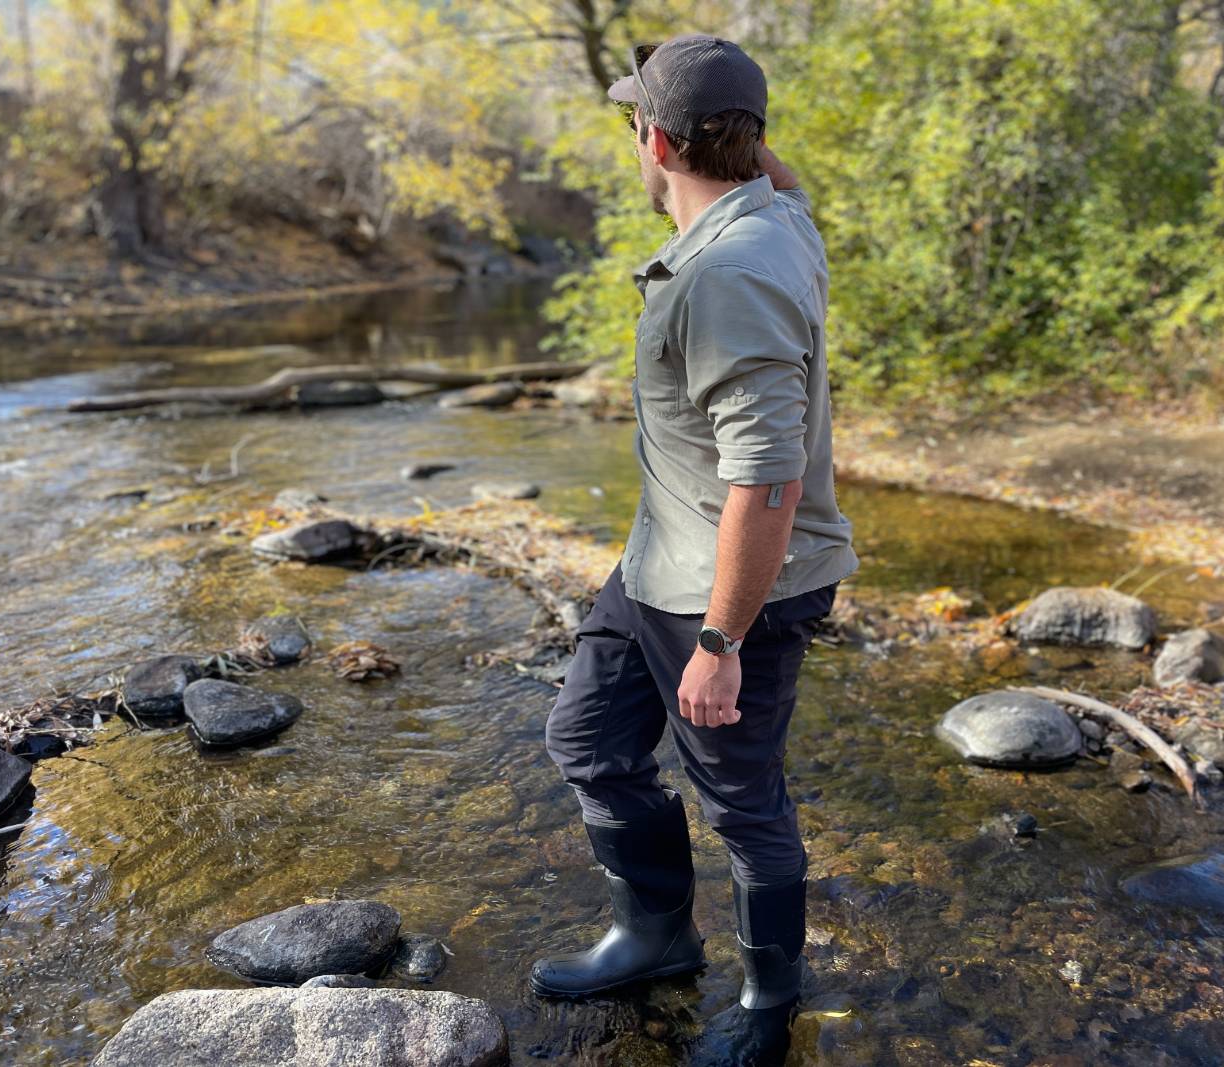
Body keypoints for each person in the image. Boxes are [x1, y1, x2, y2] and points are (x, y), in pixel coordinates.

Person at [530, 33, 858, 1066]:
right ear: (749, 144)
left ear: (657, 141)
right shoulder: (775, 210)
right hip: (656, 562)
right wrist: (736, 138)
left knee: (742, 801)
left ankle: (770, 1008)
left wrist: (721, 638)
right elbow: (779, 172)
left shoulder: (730, 273)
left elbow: (766, 482)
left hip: (728, 584)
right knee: (586, 739)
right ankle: (654, 932)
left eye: (639, 126)